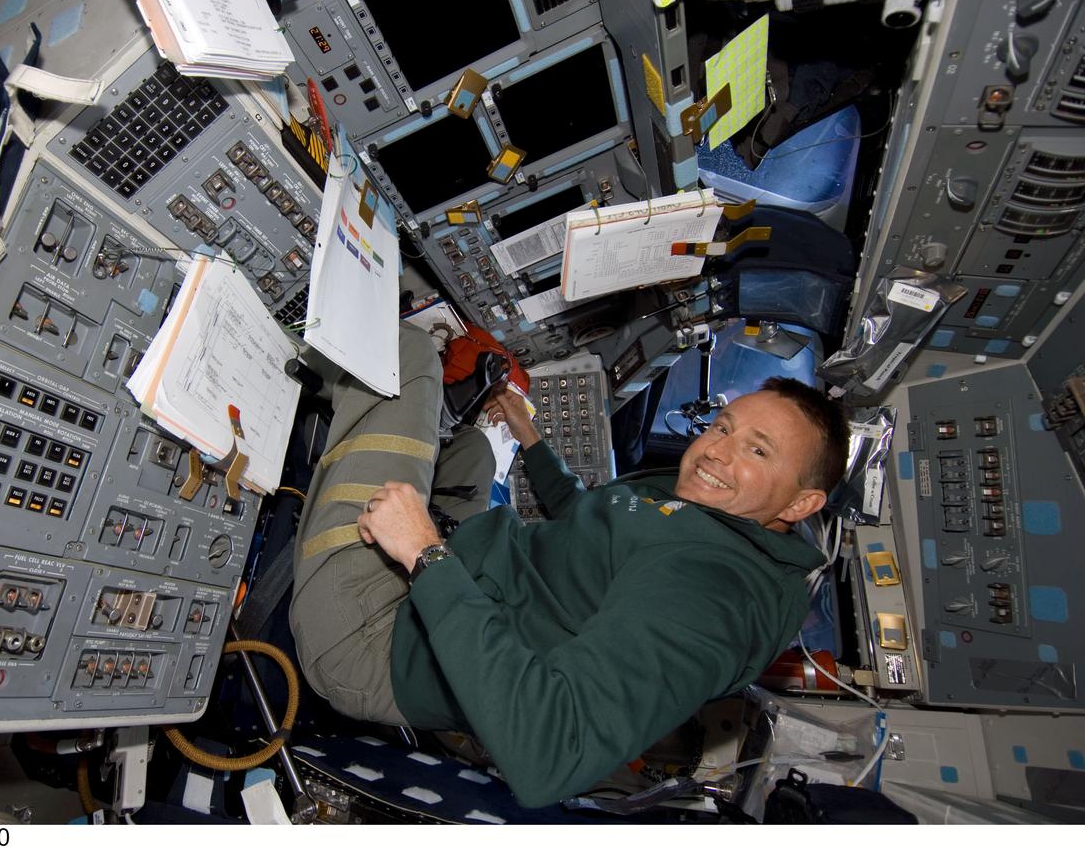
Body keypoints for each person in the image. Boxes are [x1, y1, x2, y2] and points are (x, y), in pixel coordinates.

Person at [289, 323, 849, 808]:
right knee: (475, 450)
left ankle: (265, 345)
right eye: (722, 426)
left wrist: (424, 553)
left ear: (802, 503)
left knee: (406, 355)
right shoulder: (717, 514)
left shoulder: (715, 595)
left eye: (758, 451)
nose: (715, 451)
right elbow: (594, 519)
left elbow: (550, 748)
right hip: (462, 580)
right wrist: (529, 436)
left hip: (377, 640)